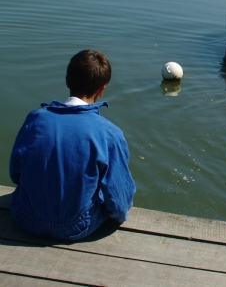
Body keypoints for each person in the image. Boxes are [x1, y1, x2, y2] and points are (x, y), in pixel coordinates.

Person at [9, 49, 136, 241]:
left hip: (25, 219)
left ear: (67, 80)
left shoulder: (34, 119)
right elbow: (119, 201)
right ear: (102, 88)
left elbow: (15, 174)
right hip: (76, 227)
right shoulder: (110, 134)